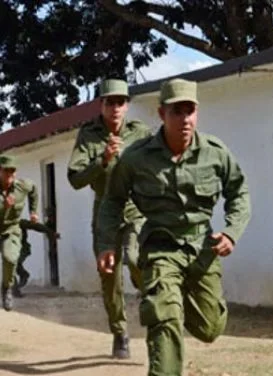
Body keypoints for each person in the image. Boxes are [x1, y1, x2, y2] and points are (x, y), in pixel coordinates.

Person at [96, 78, 251, 376]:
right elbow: (112, 201)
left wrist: (232, 231)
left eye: (190, 110)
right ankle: (164, 300)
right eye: (176, 111)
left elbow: (239, 193)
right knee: (165, 317)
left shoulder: (216, 153)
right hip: (159, 246)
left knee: (210, 328)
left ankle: (172, 298)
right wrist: (105, 244)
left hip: (201, 247)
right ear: (161, 114)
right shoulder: (136, 158)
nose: (184, 119)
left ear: (197, 112)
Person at [67, 78, 152, 359]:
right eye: (110, 102)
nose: (116, 107)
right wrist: (102, 160)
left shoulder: (140, 133)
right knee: (110, 277)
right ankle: (120, 332)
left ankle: (150, 302)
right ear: (101, 105)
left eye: (121, 102)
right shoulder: (88, 135)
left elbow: (156, 164)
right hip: (105, 213)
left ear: (127, 105)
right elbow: (75, 179)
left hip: (134, 210)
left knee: (135, 258)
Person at [0, 155, 39, 311]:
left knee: (10, 258)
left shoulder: (22, 186)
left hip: (11, 230)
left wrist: (33, 211)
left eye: (12, 171)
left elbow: (34, 189)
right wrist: (5, 207)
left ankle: (7, 289)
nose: (10, 174)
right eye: (6, 171)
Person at [13, 219, 60, 298]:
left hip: (22, 248)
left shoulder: (19, 222)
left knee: (13, 262)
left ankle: (22, 276)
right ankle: (15, 289)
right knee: (9, 265)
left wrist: (51, 233)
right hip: (9, 249)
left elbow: (36, 226)